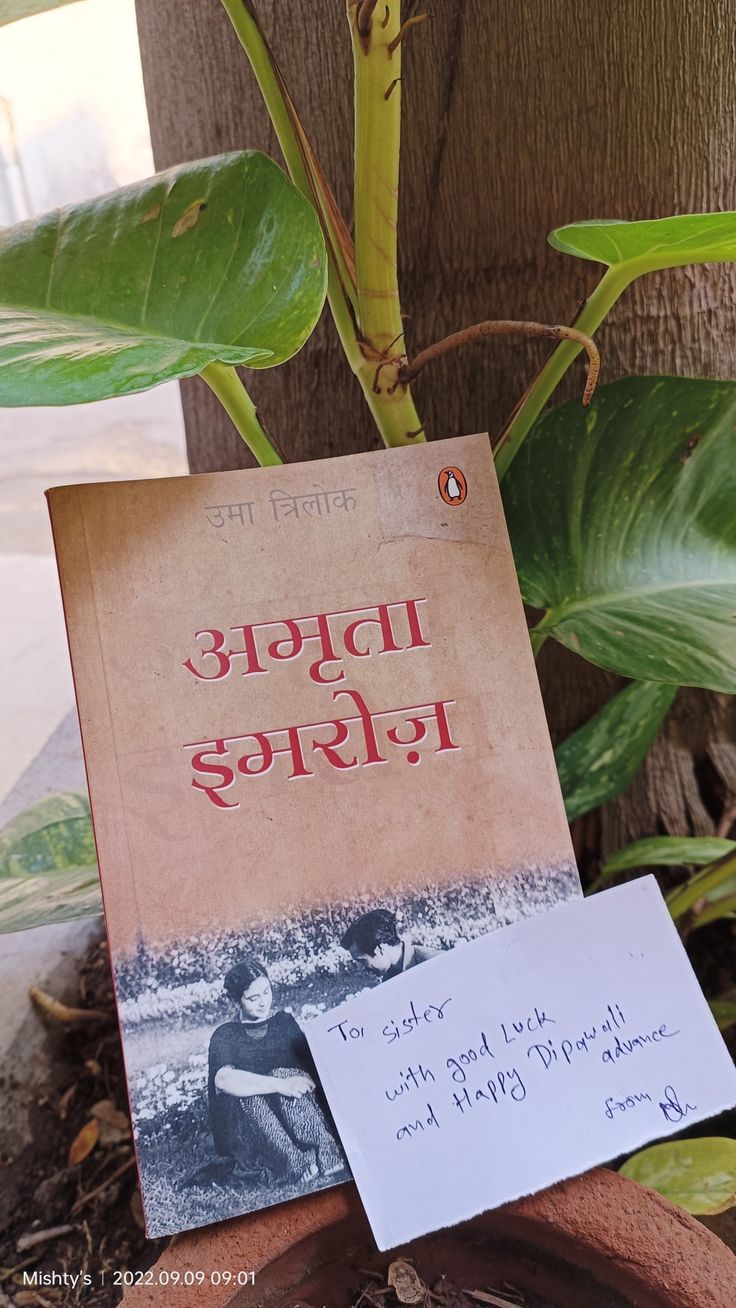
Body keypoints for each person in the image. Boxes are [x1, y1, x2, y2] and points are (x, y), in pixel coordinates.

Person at [206, 958, 345, 1188]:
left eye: (266, 992)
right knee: (252, 1094)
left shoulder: (283, 1022)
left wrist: (291, 1079)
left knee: (284, 1073)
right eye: (253, 998)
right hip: (252, 1124)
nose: (263, 1003)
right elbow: (224, 1081)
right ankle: (295, 1164)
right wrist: (280, 1084)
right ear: (235, 1001)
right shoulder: (225, 1035)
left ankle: (326, 1151)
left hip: (296, 1116)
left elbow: (309, 1068)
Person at [340, 909, 440, 981]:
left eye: (362, 961)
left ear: (380, 948)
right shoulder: (389, 979)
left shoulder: (434, 963)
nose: (361, 968)